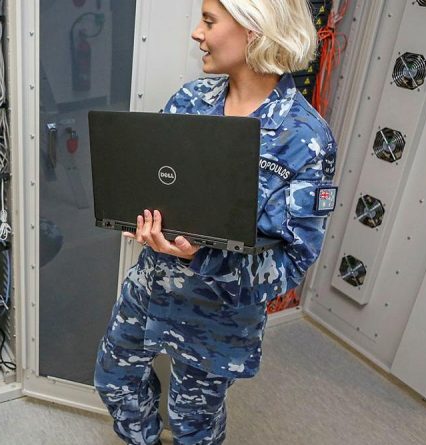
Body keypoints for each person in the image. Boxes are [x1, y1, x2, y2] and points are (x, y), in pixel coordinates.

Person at [93, 0, 337, 444]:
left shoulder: (305, 138)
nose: (196, 32)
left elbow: (292, 264)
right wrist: (140, 218)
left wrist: (201, 257)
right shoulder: (188, 101)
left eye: (208, 21)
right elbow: (155, 192)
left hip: (219, 316)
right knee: (115, 382)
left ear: (253, 30)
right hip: (150, 289)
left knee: (192, 423)